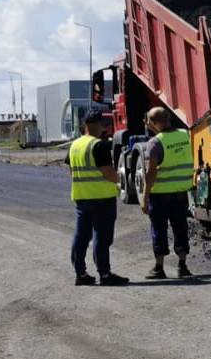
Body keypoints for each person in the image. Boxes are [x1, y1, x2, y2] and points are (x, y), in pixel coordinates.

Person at [68, 110, 129, 286]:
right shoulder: (99, 145)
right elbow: (108, 172)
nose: (105, 127)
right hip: (102, 199)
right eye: (103, 124)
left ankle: (80, 274)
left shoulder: (75, 145)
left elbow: (71, 171)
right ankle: (105, 274)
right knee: (101, 238)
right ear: (98, 125)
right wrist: (120, 178)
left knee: (81, 236)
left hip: (81, 198)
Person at [139, 107, 195, 279]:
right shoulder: (185, 135)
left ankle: (159, 267)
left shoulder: (155, 143)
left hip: (160, 195)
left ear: (153, 123)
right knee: (180, 228)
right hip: (180, 193)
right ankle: (182, 266)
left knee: (159, 230)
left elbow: (151, 172)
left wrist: (145, 196)